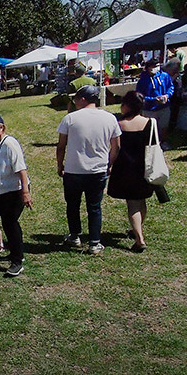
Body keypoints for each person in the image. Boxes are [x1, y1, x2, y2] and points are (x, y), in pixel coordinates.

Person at [56, 85, 121, 256]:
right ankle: (94, 242)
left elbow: (61, 146)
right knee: (94, 207)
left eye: (76, 98)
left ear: (83, 99)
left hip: (73, 170)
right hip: (97, 170)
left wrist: (60, 165)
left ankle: (75, 235)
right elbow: (116, 146)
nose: (74, 101)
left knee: (72, 204)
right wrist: (109, 164)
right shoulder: (109, 118)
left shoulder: (70, 119)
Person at [0, 114, 32, 277]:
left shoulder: (10, 143)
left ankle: (17, 261)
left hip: (13, 192)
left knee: (10, 224)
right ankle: (15, 252)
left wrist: (25, 192)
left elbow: (21, 169)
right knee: (1, 221)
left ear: (1, 127)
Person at [107, 92, 153, 252]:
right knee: (141, 201)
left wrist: (109, 164)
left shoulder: (120, 125)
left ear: (128, 106)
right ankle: (138, 228)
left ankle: (139, 239)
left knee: (132, 204)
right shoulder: (150, 123)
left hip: (125, 168)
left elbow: (116, 148)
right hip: (145, 167)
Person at [136, 58, 174, 149]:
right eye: (153, 67)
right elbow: (140, 95)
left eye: (157, 66)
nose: (155, 68)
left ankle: (163, 142)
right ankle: (152, 144)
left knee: (164, 126)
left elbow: (170, 87)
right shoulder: (143, 80)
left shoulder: (164, 76)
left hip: (164, 106)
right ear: (148, 68)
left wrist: (167, 95)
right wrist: (153, 99)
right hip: (149, 108)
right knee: (151, 128)